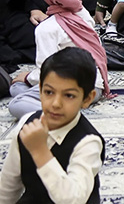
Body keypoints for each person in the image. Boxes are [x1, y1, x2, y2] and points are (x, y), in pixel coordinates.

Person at [0, 48, 105, 203]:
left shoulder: (89, 142)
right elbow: (8, 187)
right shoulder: (27, 124)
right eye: (49, 92)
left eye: (69, 95)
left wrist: (40, 151)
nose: (56, 103)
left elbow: (73, 200)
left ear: (87, 99)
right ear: (40, 90)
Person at [7, 0, 112, 118]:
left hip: (69, 89)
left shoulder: (47, 28)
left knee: (16, 98)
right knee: (18, 89)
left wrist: (28, 77)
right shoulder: (83, 15)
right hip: (94, 88)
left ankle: (61, 116)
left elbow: (46, 72)